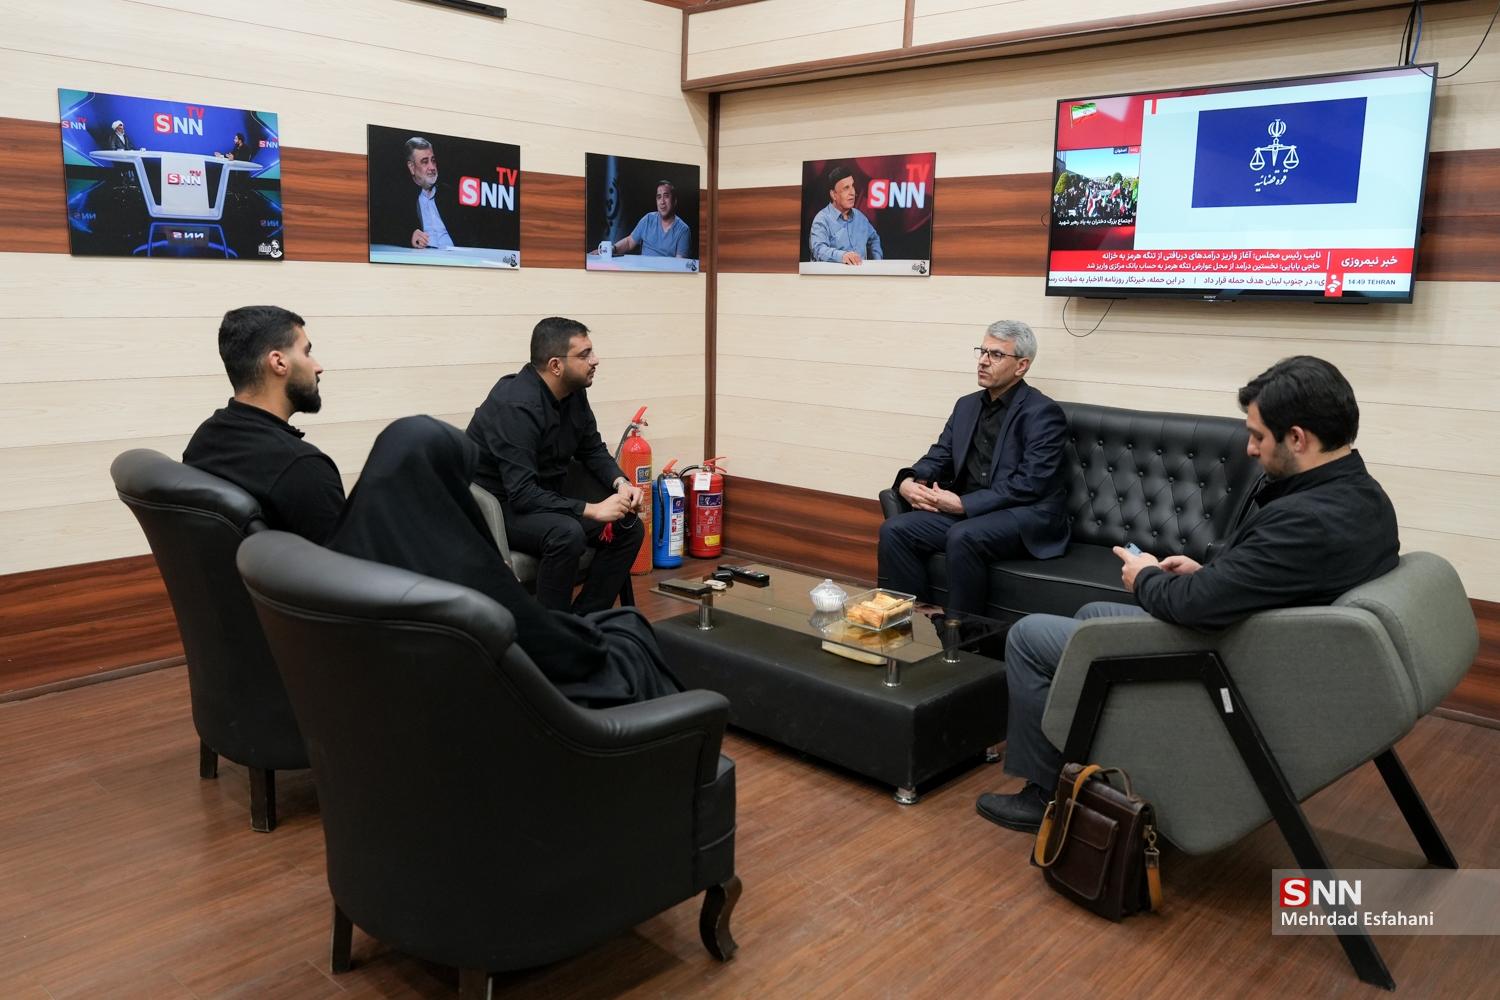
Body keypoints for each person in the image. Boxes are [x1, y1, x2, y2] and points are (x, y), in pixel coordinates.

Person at [976, 355, 1401, 833]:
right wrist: (1210, 572)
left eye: (1258, 436)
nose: (1250, 449)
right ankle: (1089, 771)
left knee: (1029, 636)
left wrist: (1145, 577)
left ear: (1298, 439)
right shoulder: (1364, 497)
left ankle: (1043, 795)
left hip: (1226, 664)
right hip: (1261, 641)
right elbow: (1277, 578)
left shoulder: (1305, 520)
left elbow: (1193, 604)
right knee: (1093, 612)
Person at [327, 416, 680, 708]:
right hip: (509, 703)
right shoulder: (463, 571)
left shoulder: (341, 560)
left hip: (389, 706)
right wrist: (596, 637)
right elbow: (549, 647)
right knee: (629, 628)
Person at [878, 320, 1069, 615]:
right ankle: (914, 621)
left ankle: (962, 633)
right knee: (895, 530)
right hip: (970, 514)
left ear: (1021, 366)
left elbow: (1030, 483)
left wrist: (963, 504)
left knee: (964, 535)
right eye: (982, 351)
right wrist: (908, 480)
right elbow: (940, 455)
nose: (983, 361)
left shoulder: (1042, 412)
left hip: (1023, 515)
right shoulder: (966, 406)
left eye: (996, 355)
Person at [465, 317, 644, 614]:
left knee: (628, 527)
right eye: (584, 354)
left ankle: (582, 621)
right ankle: (551, 630)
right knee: (566, 534)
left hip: (544, 494)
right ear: (556, 365)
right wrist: (593, 509)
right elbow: (522, 494)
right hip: (499, 505)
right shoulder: (516, 406)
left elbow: (592, 449)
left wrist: (621, 483)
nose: (595, 360)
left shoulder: (574, 392)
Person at [183, 305, 345, 543]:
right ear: (279, 362)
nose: (318, 367)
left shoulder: (205, 438)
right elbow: (344, 563)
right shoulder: (302, 467)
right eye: (307, 353)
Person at [384, 136, 470, 249]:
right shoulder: (400, 197)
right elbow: (386, 228)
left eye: (433, 160)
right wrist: (409, 237)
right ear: (411, 167)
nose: (432, 167)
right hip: (423, 257)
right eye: (425, 162)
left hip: (456, 255)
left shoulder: (449, 193)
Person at [808, 165, 883, 265]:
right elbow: (818, 250)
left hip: (860, 274)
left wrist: (877, 262)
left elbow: (874, 238)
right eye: (846, 188)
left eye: (852, 186)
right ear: (833, 195)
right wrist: (842, 256)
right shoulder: (822, 219)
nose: (852, 192)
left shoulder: (860, 217)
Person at [597, 180, 691, 258]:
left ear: (674, 201)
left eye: (666, 196)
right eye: (659, 197)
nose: (662, 202)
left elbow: (680, 264)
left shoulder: (683, 230)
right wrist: (611, 249)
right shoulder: (648, 219)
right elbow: (629, 242)